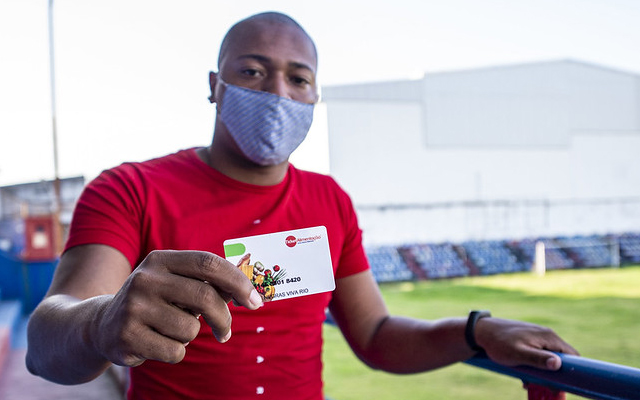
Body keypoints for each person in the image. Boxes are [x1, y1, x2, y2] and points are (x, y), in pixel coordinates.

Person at [26, 11, 578, 400]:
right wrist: (100, 321)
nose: (278, 93)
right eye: (252, 71)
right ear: (215, 86)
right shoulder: (129, 189)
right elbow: (47, 342)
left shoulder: (330, 201)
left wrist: (475, 330)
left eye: (299, 78)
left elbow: (377, 337)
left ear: (316, 98)